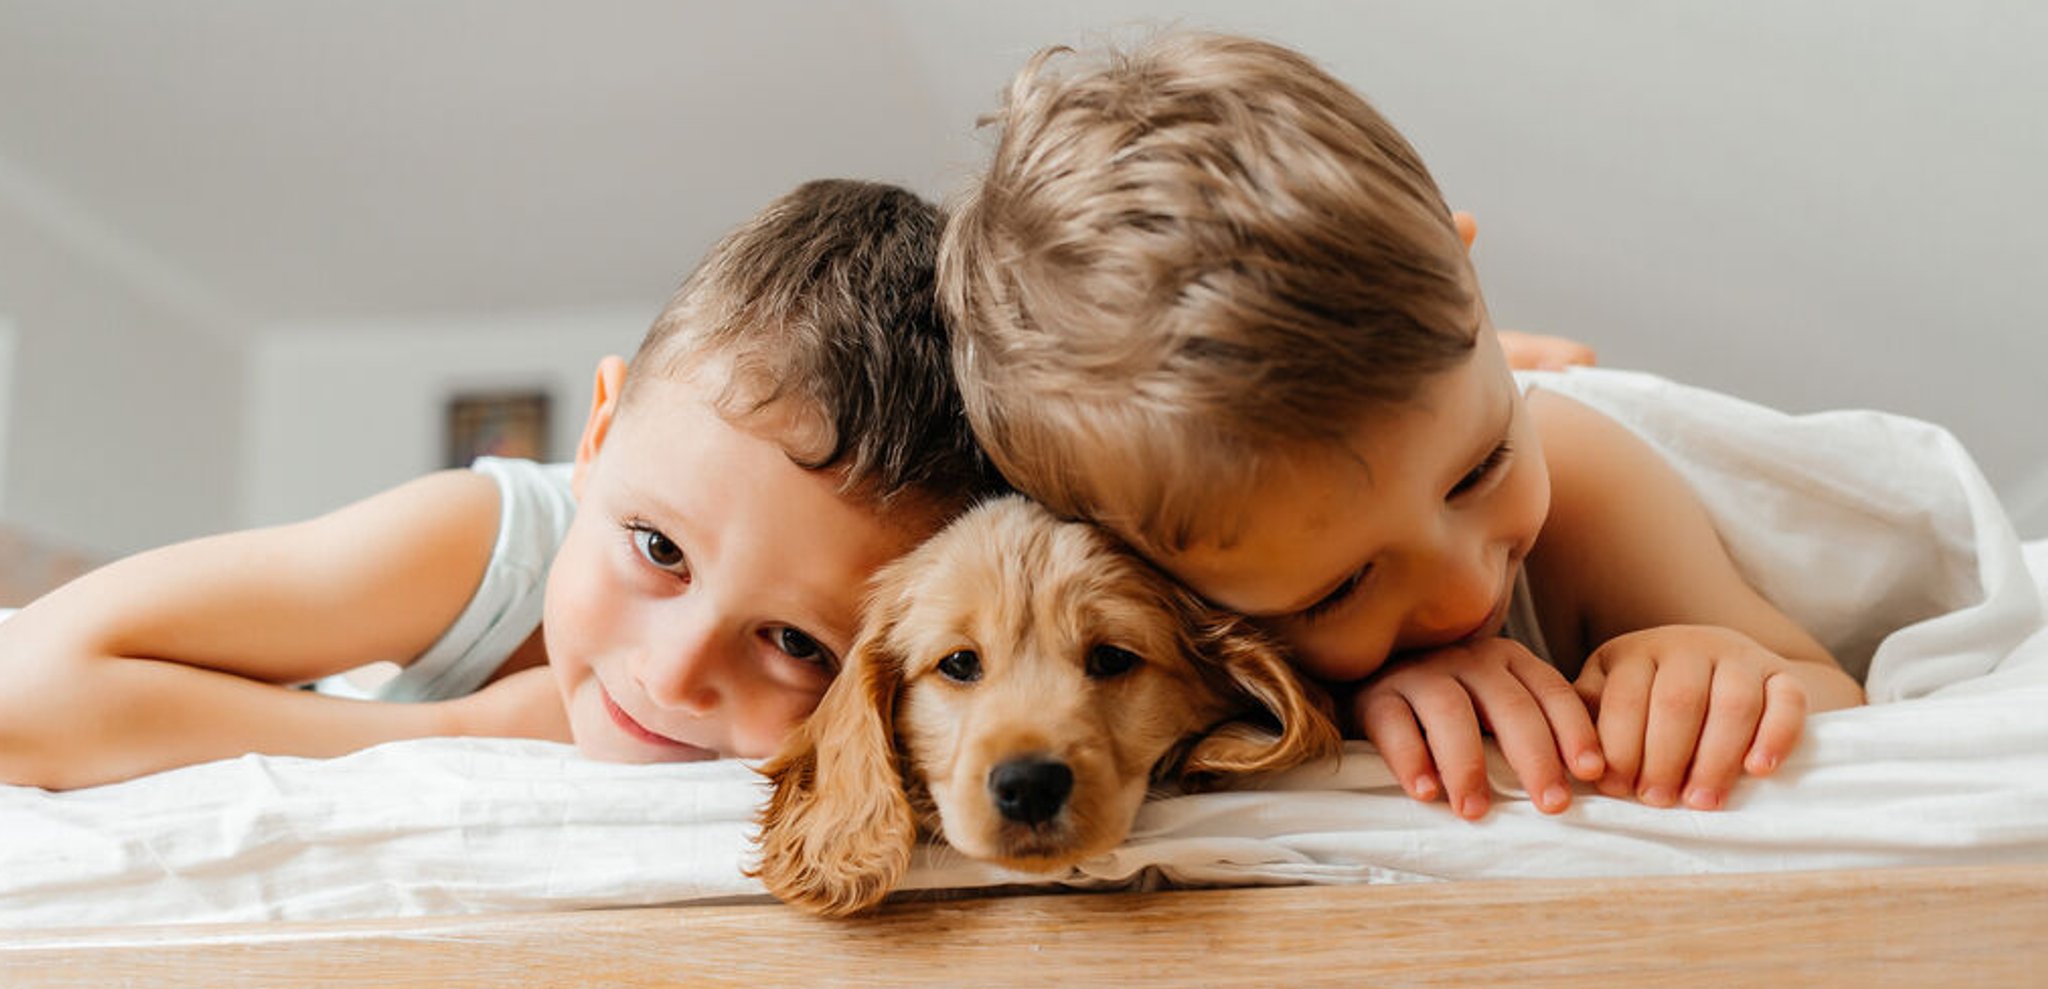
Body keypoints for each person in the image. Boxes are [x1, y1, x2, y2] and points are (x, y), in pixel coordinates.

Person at [937, 32, 1865, 820]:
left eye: (1479, 470)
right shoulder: (1175, 634)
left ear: (1474, 282)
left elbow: (1838, 695)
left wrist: (1711, 666)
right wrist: (1350, 703)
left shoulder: (1585, 488)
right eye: (1340, 589)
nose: (1463, 591)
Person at [0, 179, 1004, 790]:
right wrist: (450, 732)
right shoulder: (484, 541)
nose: (671, 674)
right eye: (657, 549)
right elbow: (22, 691)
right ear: (598, 435)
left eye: (796, 643)